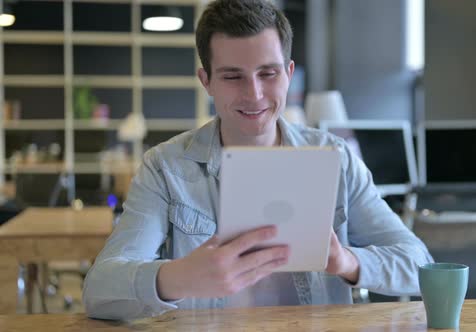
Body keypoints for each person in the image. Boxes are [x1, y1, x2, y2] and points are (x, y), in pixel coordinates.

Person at [83, 0, 432, 320]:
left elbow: (419, 264)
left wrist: (347, 261)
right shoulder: (164, 167)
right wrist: (178, 276)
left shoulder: (337, 160)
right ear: (206, 81)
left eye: (268, 73)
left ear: (289, 73)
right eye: (233, 76)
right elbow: (99, 291)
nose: (254, 94)